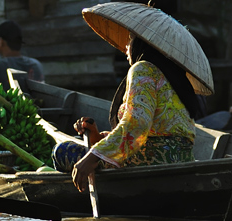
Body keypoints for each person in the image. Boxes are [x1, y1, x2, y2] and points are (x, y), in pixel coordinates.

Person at [65, 31, 205, 194]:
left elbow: (137, 124)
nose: (126, 47)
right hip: (182, 159)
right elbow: (150, 129)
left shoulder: (143, 68)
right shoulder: (177, 77)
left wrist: (93, 156)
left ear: (142, 45)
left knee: (62, 151)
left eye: (130, 41)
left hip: (153, 161)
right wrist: (99, 138)